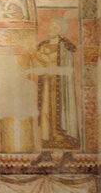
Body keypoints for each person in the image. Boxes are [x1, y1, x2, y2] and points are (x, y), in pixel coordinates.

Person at [34, 20, 79, 148]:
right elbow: (39, 64)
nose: (50, 29)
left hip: (61, 86)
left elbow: (65, 65)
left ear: (60, 31)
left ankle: (65, 150)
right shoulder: (43, 45)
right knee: (46, 113)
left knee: (59, 114)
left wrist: (46, 60)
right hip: (47, 84)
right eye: (50, 26)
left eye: (55, 27)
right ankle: (46, 146)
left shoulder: (65, 46)